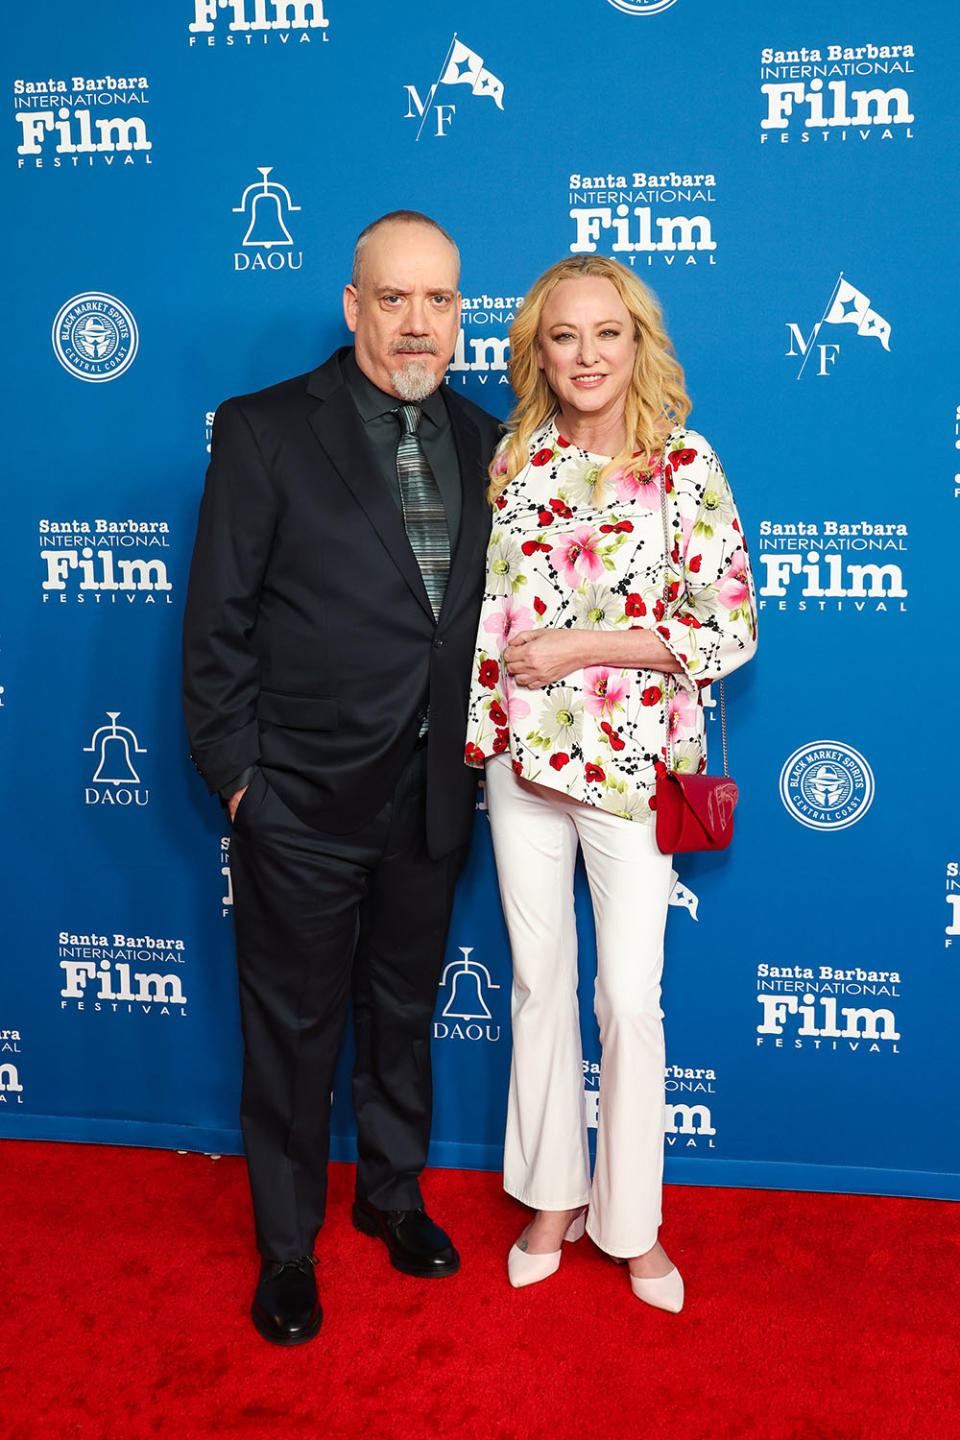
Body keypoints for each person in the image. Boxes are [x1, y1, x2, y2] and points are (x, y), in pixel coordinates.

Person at [182, 211, 501, 1345]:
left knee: (404, 1013)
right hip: (299, 804)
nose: (419, 323)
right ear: (355, 304)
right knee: (294, 1030)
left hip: (434, 800)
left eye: (441, 301)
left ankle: (391, 1194)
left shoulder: (489, 438)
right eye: (396, 299)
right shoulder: (267, 430)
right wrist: (239, 783)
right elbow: (216, 623)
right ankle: (284, 1248)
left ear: (462, 314)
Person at [465, 255, 757, 1312]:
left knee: (629, 999)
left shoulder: (684, 461)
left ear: (639, 341)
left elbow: (727, 629)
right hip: (520, 761)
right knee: (540, 984)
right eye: (563, 336)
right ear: (538, 351)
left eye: (607, 333)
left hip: (633, 772)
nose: (586, 355)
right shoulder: (516, 463)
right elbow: (495, 623)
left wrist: (583, 643)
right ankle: (551, 1194)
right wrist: (486, 730)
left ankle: (633, 1222)